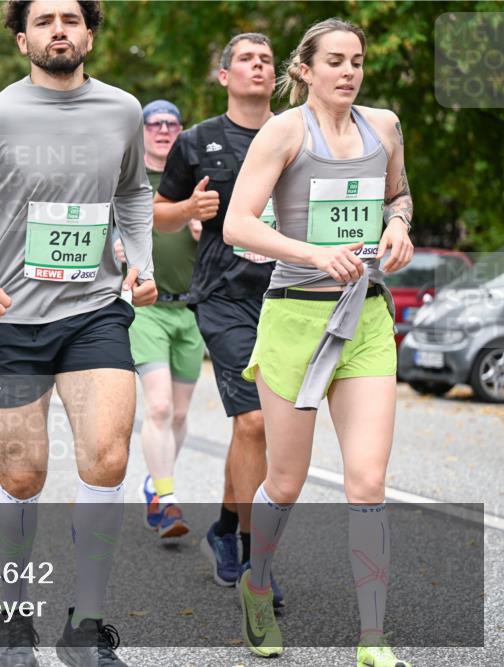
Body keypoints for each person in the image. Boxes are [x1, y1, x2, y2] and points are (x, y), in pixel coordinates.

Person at [0, 2, 156, 665]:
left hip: (95, 313)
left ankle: (85, 623)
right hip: (14, 321)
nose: (59, 29)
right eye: (44, 19)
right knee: (23, 474)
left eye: (71, 18)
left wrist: (141, 261)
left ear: (90, 33)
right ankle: (14, 613)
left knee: (107, 456)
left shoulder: (123, 111)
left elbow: (133, 192)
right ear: (22, 38)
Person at [223, 18, 414, 666]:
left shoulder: (383, 126)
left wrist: (399, 228)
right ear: (304, 68)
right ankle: (256, 584)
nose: (349, 72)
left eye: (357, 60)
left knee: (366, 480)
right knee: (286, 479)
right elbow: (236, 224)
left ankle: (373, 637)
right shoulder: (284, 131)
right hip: (295, 319)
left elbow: (400, 196)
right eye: (334, 60)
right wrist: (312, 252)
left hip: (364, 318)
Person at [153, 33, 284, 601]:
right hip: (226, 297)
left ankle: (227, 529)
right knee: (253, 422)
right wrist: (189, 209)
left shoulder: (298, 134)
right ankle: (258, 561)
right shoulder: (196, 141)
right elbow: (158, 215)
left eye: (266, 60)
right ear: (225, 75)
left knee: (261, 430)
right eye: (246, 60)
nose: (258, 66)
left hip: (290, 296)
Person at [118, 99, 203, 539]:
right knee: (160, 405)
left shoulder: (192, 180)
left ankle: (154, 480)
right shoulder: (128, 178)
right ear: (142, 130)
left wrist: (204, 229)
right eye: (155, 123)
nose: (164, 130)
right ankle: (166, 499)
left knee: (181, 413)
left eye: (173, 123)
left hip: (191, 308)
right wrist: (112, 248)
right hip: (145, 307)